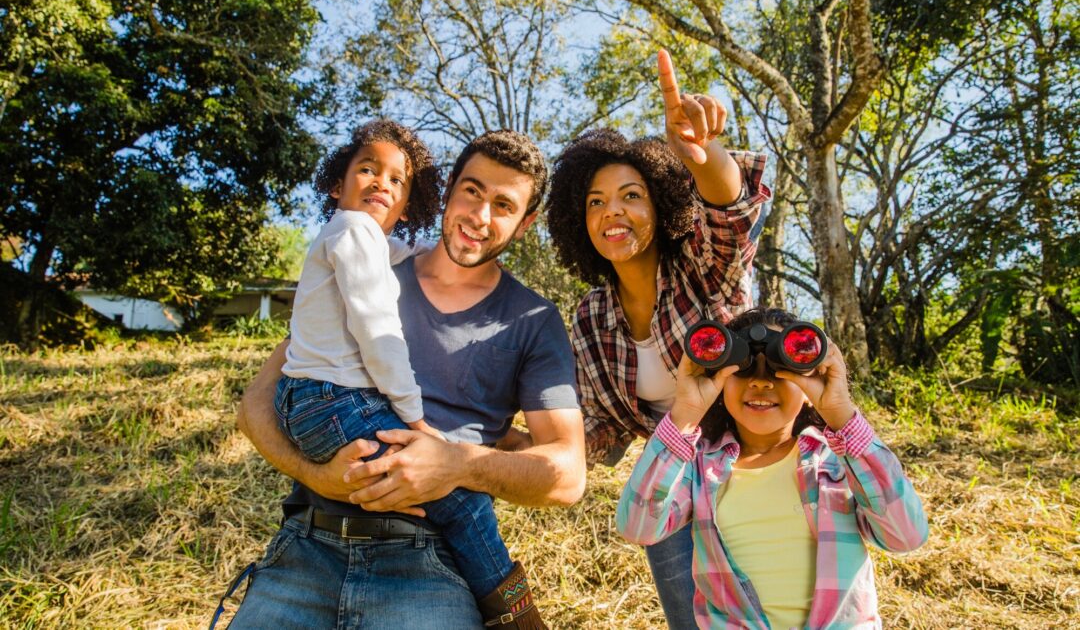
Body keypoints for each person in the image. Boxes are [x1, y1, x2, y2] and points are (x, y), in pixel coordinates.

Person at [226, 130, 586, 629]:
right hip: (307, 546)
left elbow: (568, 475)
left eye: (503, 205)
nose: (480, 216)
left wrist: (457, 465)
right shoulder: (370, 263)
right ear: (448, 191)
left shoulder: (533, 320)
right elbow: (257, 405)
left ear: (525, 224)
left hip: (428, 565)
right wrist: (316, 475)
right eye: (472, 191)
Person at [544, 49, 769, 628]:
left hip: (756, 466)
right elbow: (598, 429)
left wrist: (702, 154)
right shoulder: (591, 317)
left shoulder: (701, 264)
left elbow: (731, 212)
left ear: (664, 202)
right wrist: (493, 439)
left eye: (630, 195)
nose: (611, 212)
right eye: (595, 202)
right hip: (669, 488)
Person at [616, 307, 929, 628]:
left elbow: (905, 536)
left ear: (810, 385)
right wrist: (684, 415)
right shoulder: (698, 467)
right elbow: (638, 526)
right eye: (744, 368)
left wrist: (841, 414)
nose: (762, 383)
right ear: (721, 380)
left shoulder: (838, 461)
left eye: (781, 370)